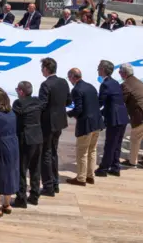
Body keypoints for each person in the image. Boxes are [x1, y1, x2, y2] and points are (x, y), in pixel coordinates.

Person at [38, 58, 70, 197]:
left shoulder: (45, 85)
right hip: (60, 122)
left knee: (46, 153)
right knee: (53, 152)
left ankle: (48, 186)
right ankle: (55, 183)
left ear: (45, 69)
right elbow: (69, 100)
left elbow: (42, 105)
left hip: (48, 124)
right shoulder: (63, 82)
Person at [66, 68, 103, 185]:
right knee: (92, 150)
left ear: (73, 77)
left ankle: (81, 178)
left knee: (82, 151)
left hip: (86, 124)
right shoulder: (91, 86)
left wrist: (67, 114)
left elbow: (78, 109)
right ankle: (90, 176)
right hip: (97, 122)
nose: (70, 80)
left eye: (69, 78)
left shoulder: (76, 90)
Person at [12, 81, 43, 208]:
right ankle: (34, 195)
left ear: (21, 92)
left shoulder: (18, 103)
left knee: (21, 169)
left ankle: (21, 197)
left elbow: (15, 120)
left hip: (25, 138)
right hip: (38, 137)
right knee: (35, 168)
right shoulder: (38, 101)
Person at [95, 61, 128, 177]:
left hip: (115, 118)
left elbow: (100, 102)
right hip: (122, 116)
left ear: (103, 70)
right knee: (117, 144)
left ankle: (103, 169)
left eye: (99, 68)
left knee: (110, 144)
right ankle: (115, 166)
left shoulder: (105, 84)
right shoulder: (115, 83)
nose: (97, 70)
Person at [0, 87, 19, 214]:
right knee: (10, 173)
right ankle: (7, 204)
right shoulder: (12, 113)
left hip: (1, 144)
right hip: (13, 144)